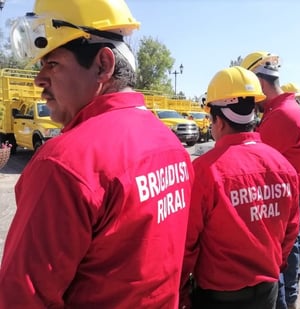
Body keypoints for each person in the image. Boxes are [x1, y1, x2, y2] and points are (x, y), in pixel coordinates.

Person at [0, 1, 194, 307]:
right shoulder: (171, 146)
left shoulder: (65, 163)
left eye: (52, 63)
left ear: (103, 65)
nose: (39, 80)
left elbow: (21, 297)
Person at [179, 66, 300, 309]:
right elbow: (291, 230)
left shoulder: (205, 170)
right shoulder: (283, 166)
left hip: (218, 297)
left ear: (218, 120)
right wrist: (274, 266)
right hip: (268, 291)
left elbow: (188, 243)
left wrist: (181, 290)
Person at [241, 51, 300, 309]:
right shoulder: (286, 109)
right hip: (295, 194)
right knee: (293, 249)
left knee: (278, 262)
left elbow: (256, 163)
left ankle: (288, 300)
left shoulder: (280, 116)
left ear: (260, 84)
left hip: (286, 200)